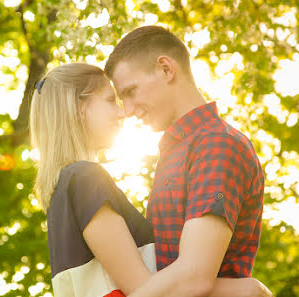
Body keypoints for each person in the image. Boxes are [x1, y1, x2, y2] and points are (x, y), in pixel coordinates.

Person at [29, 62, 272, 297]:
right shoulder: (85, 179)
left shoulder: (64, 187)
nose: (122, 112)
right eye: (111, 100)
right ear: (79, 109)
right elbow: (145, 289)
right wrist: (247, 289)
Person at [104, 25, 268, 297]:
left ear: (166, 69)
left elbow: (193, 277)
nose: (129, 111)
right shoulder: (176, 152)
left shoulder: (216, 144)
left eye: (130, 92)